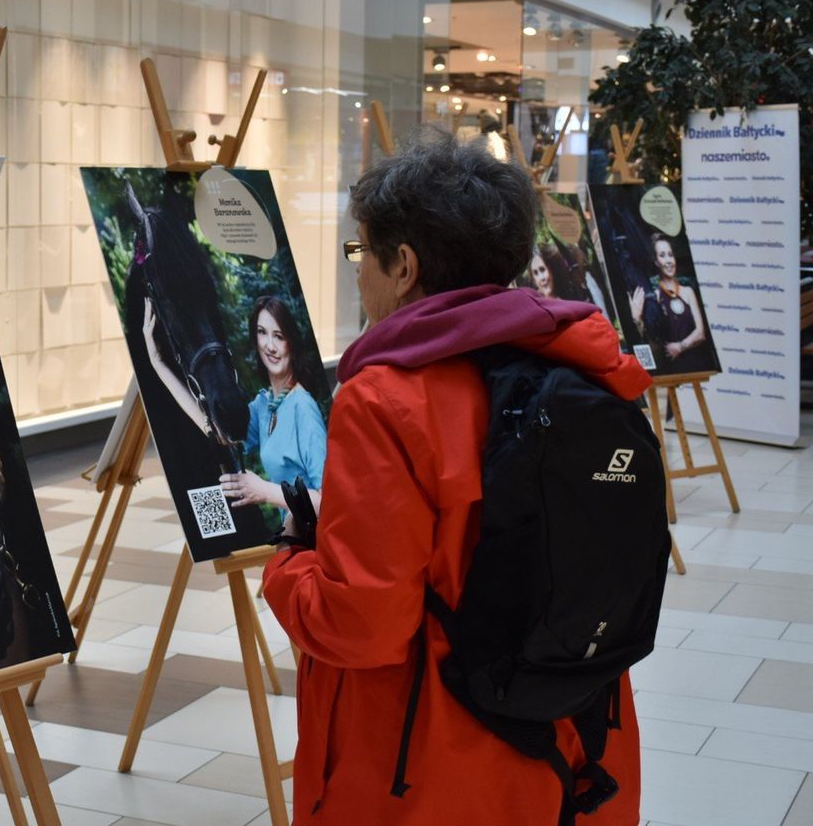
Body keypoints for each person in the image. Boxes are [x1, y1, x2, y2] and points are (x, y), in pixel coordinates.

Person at [263, 131, 648, 824]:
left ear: (404, 265)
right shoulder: (588, 373)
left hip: (431, 760)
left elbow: (366, 626)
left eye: (361, 252)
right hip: (577, 736)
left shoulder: (387, 398)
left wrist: (290, 563)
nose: (357, 272)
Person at [219, 296, 327, 517]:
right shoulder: (265, 405)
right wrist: (158, 363)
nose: (270, 345)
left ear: (291, 343)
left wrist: (264, 491)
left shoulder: (303, 408)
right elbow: (220, 431)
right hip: (292, 540)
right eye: (262, 332)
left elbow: (329, 502)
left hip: (314, 544)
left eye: (278, 336)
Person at [629, 232, 711, 372]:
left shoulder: (687, 291)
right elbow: (653, 344)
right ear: (656, 261)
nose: (668, 261)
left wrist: (679, 346)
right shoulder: (653, 297)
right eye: (662, 256)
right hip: (671, 368)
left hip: (698, 364)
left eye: (670, 254)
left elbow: (701, 333)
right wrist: (637, 319)